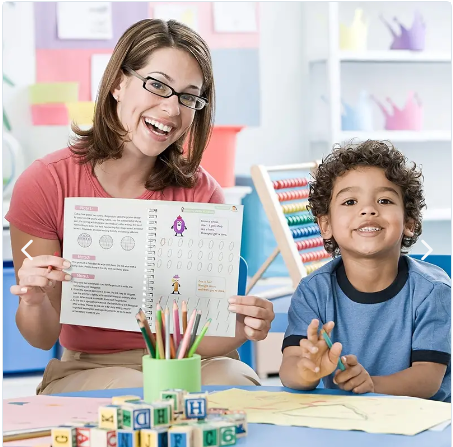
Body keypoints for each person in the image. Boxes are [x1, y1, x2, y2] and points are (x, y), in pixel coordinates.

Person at [6, 19, 274, 394]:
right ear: (118, 83)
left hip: (189, 361)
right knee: (136, 396)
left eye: (188, 96)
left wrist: (242, 329)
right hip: (92, 367)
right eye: (158, 85)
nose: (171, 108)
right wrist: (34, 301)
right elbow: (41, 337)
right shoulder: (45, 183)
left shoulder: (203, 193)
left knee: (235, 386)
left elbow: (206, 339)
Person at [279, 140, 451, 402]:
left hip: (422, 424)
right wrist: (307, 371)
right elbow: (290, 366)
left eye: (384, 200)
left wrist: (371, 384)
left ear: (410, 223)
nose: (368, 209)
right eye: (350, 201)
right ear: (326, 225)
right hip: (346, 422)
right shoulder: (313, 290)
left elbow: (427, 378)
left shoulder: (432, 291)